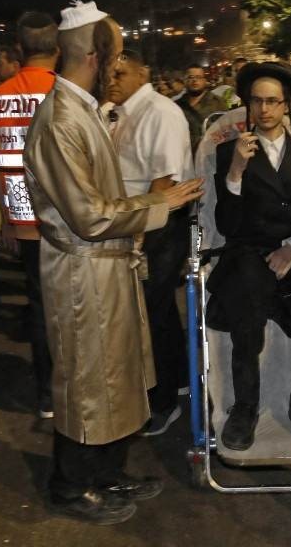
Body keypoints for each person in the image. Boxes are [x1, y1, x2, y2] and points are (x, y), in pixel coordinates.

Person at [24, 1, 203, 525]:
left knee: (119, 375)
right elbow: (86, 215)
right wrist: (157, 204)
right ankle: (71, 484)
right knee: (87, 380)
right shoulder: (60, 118)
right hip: (83, 271)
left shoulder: (83, 109)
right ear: (97, 56)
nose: (120, 67)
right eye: (117, 55)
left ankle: (106, 471)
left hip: (110, 265)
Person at [208, 61, 291, 452]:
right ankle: (245, 405)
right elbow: (228, 224)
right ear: (248, 106)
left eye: (272, 102)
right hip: (249, 249)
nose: (264, 110)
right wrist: (235, 171)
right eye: (256, 102)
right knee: (247, 283)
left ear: (287, 107)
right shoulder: (228, 153)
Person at [106, 48, 193, 436]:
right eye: (109, 74)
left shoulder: (160, 113)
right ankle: (163, 383)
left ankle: (165, 400)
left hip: (159, 227)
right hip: (131, 224)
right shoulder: (116, 113)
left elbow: (166, 181)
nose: (112, 81)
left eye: (121, 73)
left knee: (154, 313)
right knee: (146, 314)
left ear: (143, 72)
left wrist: (140, 234)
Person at [0, 12, 58, 418]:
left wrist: (8, 219)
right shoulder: (69, 92)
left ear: (20, 49)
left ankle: (46, 393)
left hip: (25, 217)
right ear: (57, 49)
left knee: (41, 306)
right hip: (69, 221)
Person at [175, 65, 226, 152]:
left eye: (199, 77)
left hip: (211, 156)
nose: (195, 80)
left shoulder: (217, 102)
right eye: (190, 77)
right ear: (185, 81)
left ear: (204, 80)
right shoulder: (177, 105)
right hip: (185, 156)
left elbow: (227, 130)